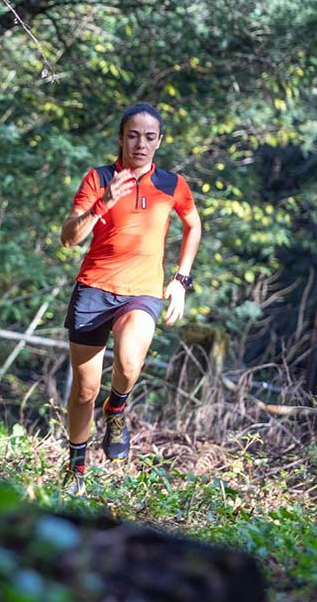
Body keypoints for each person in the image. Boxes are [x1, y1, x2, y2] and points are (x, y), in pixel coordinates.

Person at [58, 103, 202, 494]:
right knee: (84, 390)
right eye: (133, 135)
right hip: (93, 289)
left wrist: (180, 280)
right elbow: (69, 238)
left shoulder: (173, 184)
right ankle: (77, 469)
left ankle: (117, 406)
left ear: (159, 142)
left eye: (149, 137)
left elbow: (193, 223)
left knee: (129, 360)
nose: (140, 144)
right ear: (120, 138)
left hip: (141, 291)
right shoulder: (98, 178)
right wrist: (103, 200)